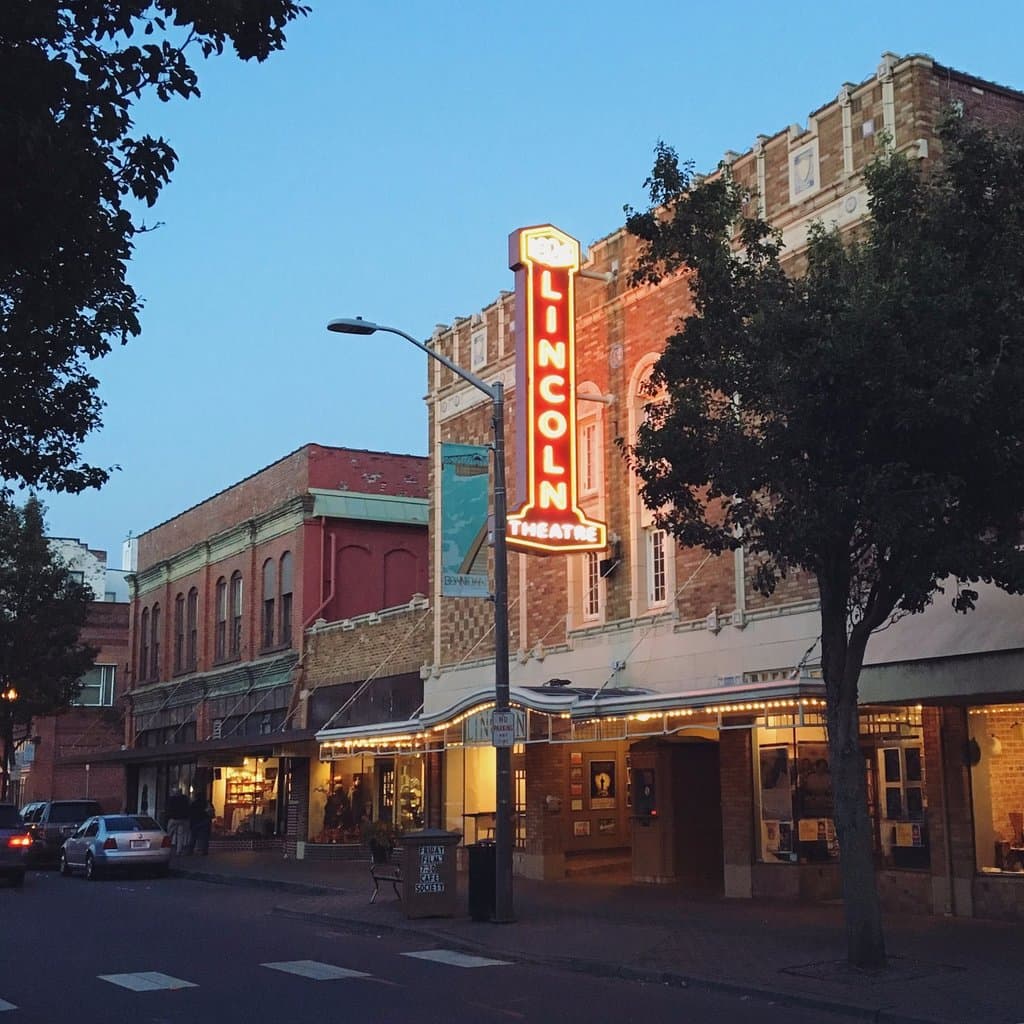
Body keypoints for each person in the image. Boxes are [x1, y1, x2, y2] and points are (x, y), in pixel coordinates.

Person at [165, 787, 191, 854]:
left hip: (173, 819)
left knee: (169, 834)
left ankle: (166, 849)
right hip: (182, 819)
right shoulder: (184, 799)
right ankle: (178, 850)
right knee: (180, 835)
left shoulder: (172, 799)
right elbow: (188, 808)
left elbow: (168, 809)